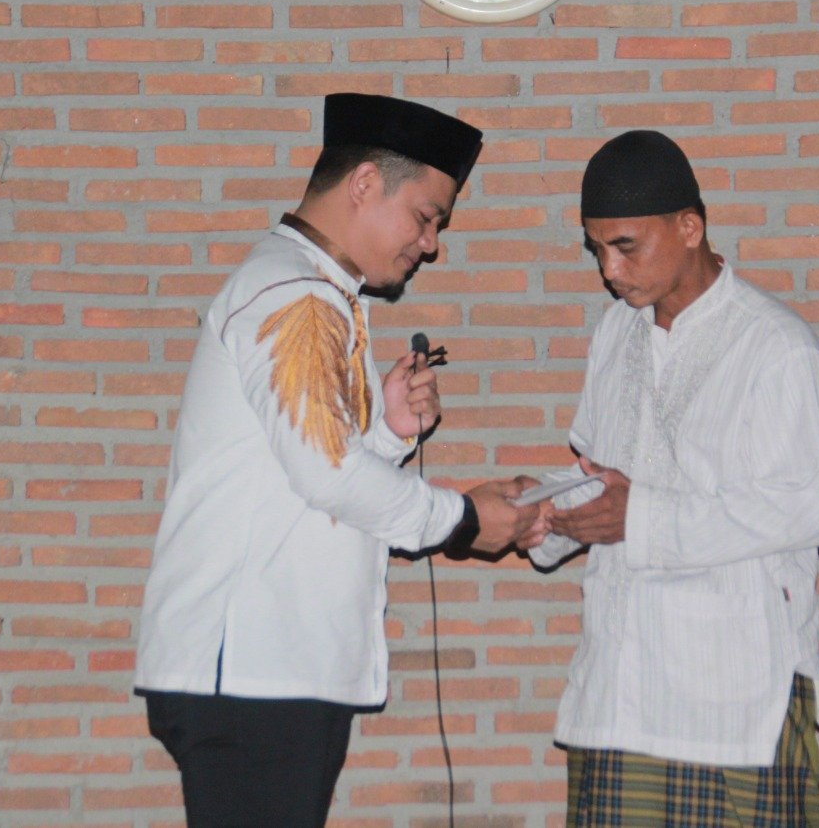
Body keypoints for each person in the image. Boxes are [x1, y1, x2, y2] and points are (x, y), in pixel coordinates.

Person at [134, 92, 540, 827]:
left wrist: (386, 433)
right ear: (364, 184)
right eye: (426, 216)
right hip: (255, 673)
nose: (431, 244)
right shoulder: (295, 296)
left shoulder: (310, 289)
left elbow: (304, 475)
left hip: (269, 670)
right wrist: (464, 519)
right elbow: (328, 475)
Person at [520, 129, 819, 827]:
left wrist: (637, 518)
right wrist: (542, 511)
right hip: (619, 690)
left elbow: (802, 509)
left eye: (625, 246)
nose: (609, 269)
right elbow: (603, 478)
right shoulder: (616, 333)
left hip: (734, 695)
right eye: (596, 249)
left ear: (689, 228)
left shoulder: (777, 346)